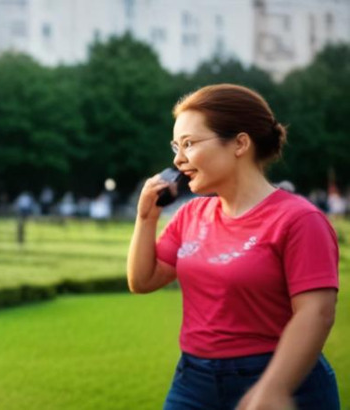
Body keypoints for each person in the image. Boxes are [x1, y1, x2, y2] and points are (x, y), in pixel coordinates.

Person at [128, 84, 340, 410]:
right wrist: (146, 218)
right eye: (175, 145)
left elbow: (317, 313)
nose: (178, 158)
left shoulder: (299, 219)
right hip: (193, 380)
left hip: (283, 378)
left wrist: (274, 387)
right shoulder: (190, 215)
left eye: (189, 144)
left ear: (240, 143)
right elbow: (142, 281)